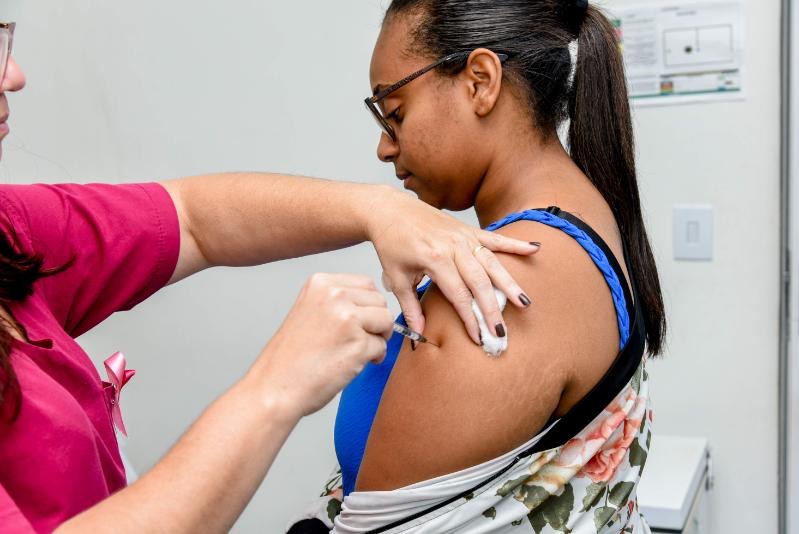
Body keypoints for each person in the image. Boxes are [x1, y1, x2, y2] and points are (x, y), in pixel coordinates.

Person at [0, 21, 544, 533]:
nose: (16, 75)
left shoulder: (9, 230)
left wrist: (379, 209)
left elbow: (191, 220)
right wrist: (276, 386)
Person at [292, 0, 667, 532]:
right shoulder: (588, 212)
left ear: (480, 82)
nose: (383, 147)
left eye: (395, 113)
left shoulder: (496, 287)